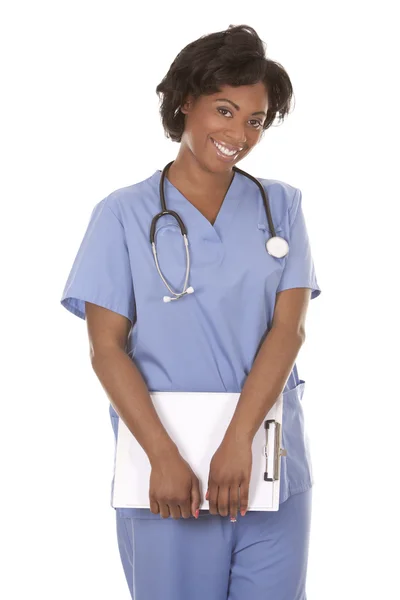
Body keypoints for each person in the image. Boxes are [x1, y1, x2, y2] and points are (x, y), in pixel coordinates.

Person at [60, 23, 321, 600]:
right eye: (224, 111)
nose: (240, 133)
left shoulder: (282, 206)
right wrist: (162, 455)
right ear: (185, 103)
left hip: (267, 465)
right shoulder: (122, 215)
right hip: (168, 472)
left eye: (255, 120)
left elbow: (289, 329)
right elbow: (107, 349)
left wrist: (239, 443)